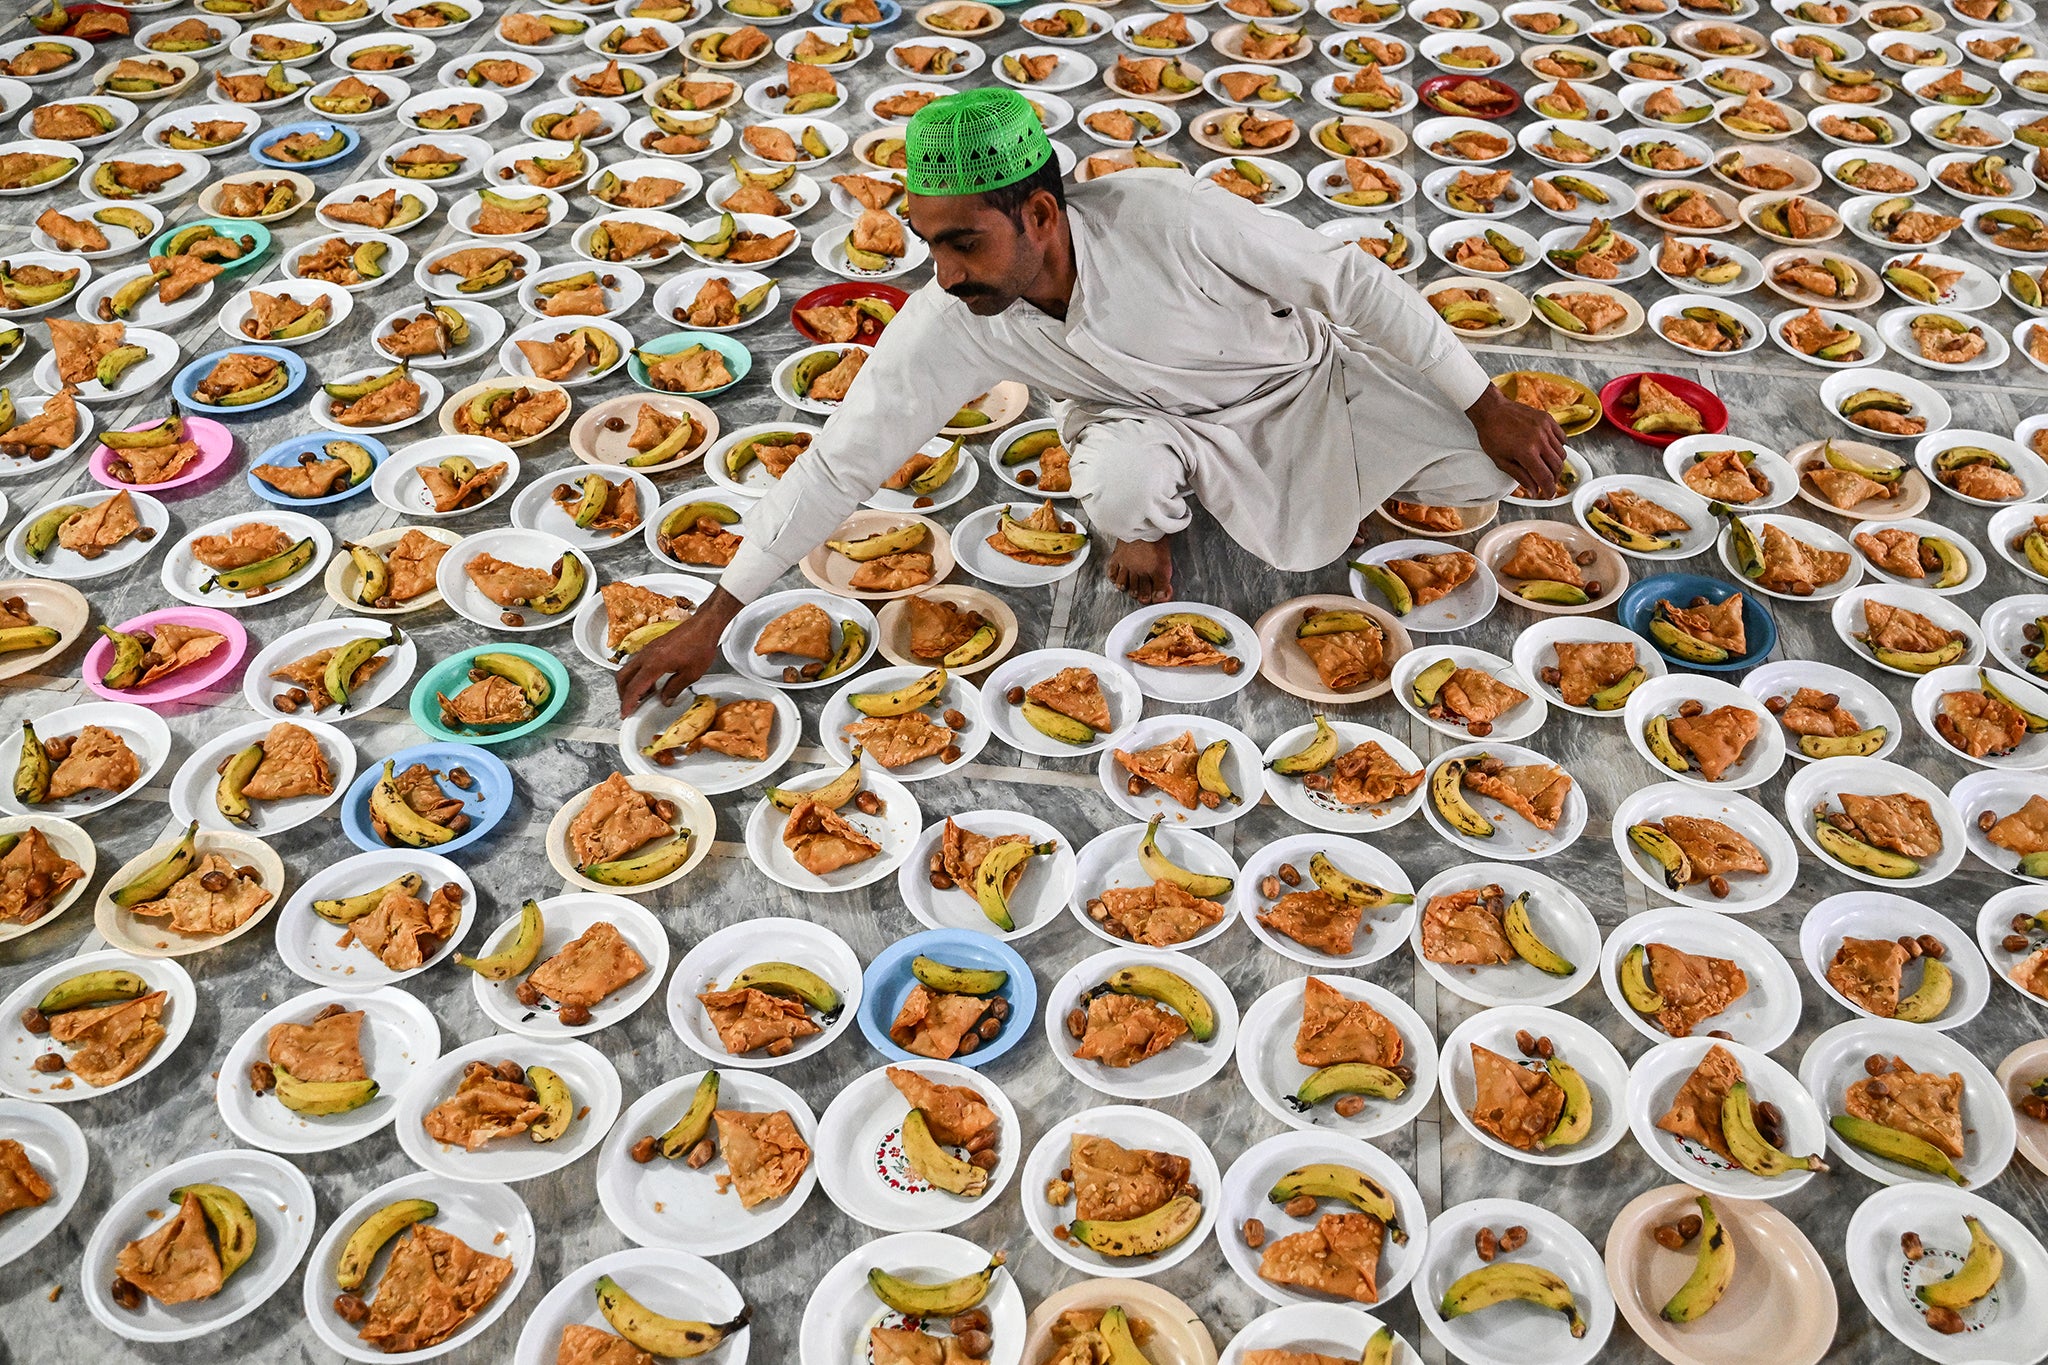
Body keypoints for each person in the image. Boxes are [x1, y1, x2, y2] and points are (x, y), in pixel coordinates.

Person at [618, 87, 1563, 717]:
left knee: (1491, 465)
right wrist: (716, 609)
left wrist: (1484, 403)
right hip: (1145, 427)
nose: (942, 274)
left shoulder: (1171, 216)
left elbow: (1351, 284)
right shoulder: (953, 315)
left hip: (1308, 382)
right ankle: (1152, 524)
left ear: (1039, 215)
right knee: (1116, 482)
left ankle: (1346, 481)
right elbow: (842, 460)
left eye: (963, 244)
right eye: (928, 244)